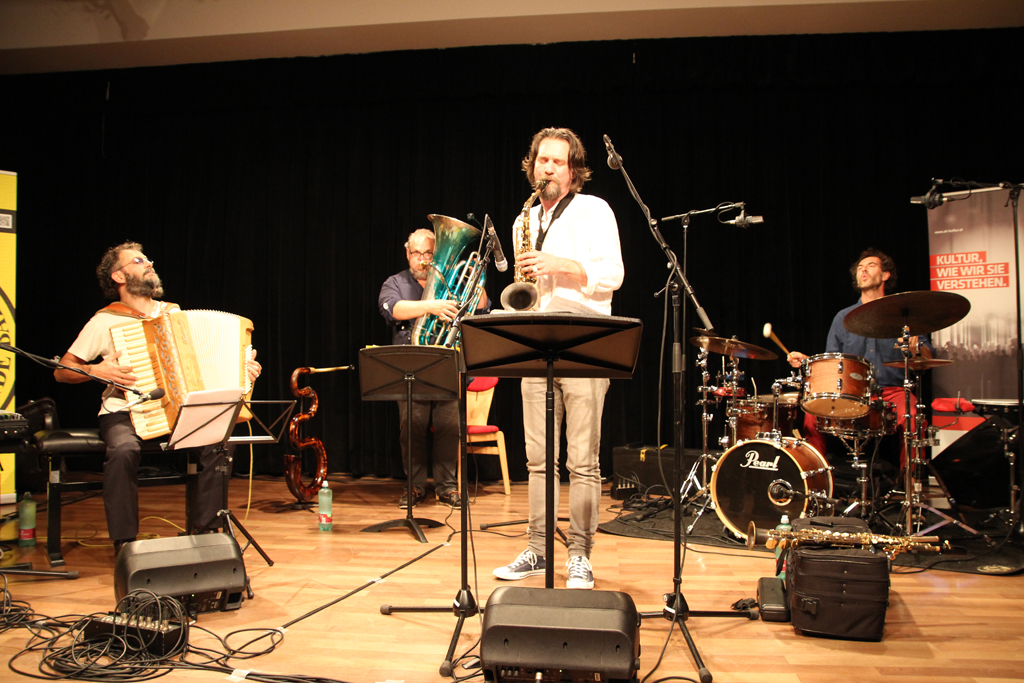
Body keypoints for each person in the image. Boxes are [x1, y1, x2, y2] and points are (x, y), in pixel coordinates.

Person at [54, 242, 262, 554]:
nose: (149, 263)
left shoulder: (174, 314)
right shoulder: (104, 321)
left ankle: (207, 533)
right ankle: (125, 543)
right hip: (125, 411)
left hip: (179, 411)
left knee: (220, 443)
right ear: (118, 276)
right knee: (123, 450)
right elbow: (62, 371)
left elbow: (201, 364)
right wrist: (97, 370)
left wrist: (242, 369)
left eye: (148, 259)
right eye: (139, 261)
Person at [492, 127, 624, 590]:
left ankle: (580, 555)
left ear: (573, 171)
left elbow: (614, 275)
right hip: (536, 343)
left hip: (584, 340)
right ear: (532, 166)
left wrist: (561, 265)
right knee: (538, 461)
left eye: (557, 162)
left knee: (582, 462)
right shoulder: (522, 220)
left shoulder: (595, 210)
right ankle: (537, 547)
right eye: (541, 161)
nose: (547, 169)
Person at [787, 248, 933, 465]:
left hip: (893, 393)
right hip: (850, 394)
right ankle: (817, 477)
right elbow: (832, 362)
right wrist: (808, 361)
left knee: (914, 417)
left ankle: (910, 480)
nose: (863, 270)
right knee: (811, 414)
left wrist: (914, 348)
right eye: (860, 268)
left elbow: (927, 360)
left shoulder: (903, 315)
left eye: (871, 266)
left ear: (885, 275)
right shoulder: (843, 318)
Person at [378, 228, 489, 509]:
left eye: (429, 253)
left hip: (447, 363)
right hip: (411, 367)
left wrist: (475, 281)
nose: (423, 259)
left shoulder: (451, 280)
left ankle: (447, 487)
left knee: (449, 428)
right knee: (412, 430)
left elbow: (482, 308)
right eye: (417, 253)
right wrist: (431, 306)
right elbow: (393, 310)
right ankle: (415, 487)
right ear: (408, 254)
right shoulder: (396, 282)